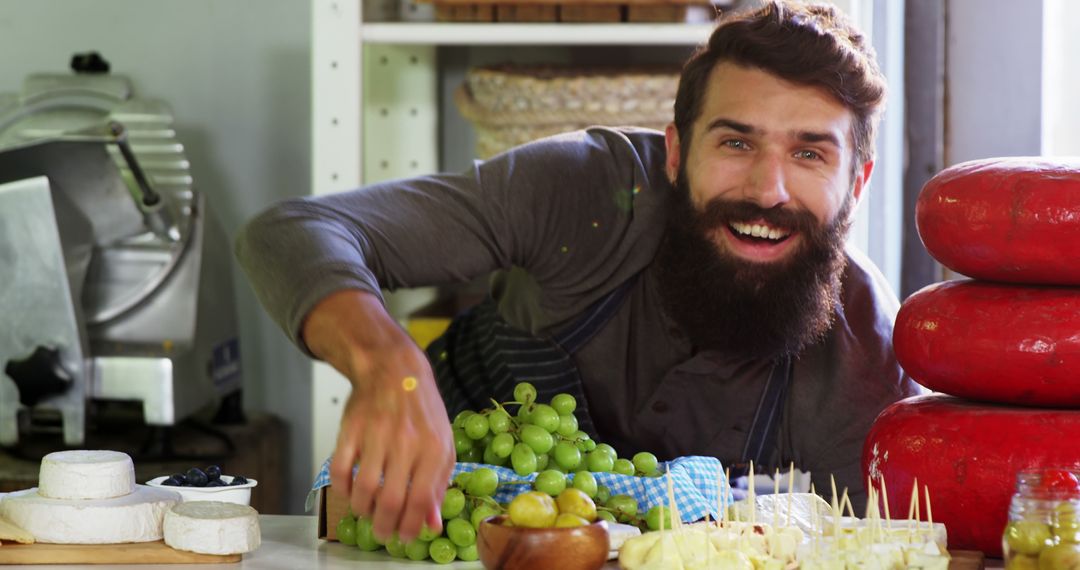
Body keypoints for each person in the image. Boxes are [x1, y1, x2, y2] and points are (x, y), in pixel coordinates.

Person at [235, 0, 921, 544]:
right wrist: (387, 364)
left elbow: (858, 548)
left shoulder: (865, 361)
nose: (768, 190)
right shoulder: (586, 193)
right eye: (736, 142)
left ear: (857, 183)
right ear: (676, 154)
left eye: (810, 155)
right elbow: (292, 233)